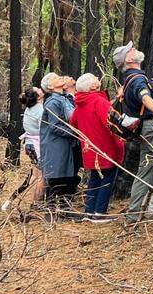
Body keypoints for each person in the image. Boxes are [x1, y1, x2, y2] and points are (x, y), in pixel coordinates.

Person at [113, 41, 153, 223]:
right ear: (129, 59)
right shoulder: (137, 79)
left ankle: (133, 213)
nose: (136, 50)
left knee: (145, 171)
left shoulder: (129, 79)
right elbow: (145, 97)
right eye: (132, 50)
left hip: (145, 130)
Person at [69, 73, 125, 221]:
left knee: (94, 178)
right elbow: (111, 122)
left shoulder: (80, 103)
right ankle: (99, 213)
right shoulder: (98, 101)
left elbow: (73, 122)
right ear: (93, 86)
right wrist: (122, 135)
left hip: (90, 148)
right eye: (95, 78)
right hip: (105, 146)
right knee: (106, 178)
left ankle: (89, 211)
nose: (97, 79)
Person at [38, 73, 80, 212]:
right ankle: (50, 210)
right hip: (56, 145)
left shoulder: (63, 99)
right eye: (56, 77)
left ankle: (64, 209)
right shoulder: (53, 102)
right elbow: (55, 126)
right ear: (50, 86)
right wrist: (76, 133)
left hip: (65, 144)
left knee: (65, 177)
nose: (61, 77)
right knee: (55, 176)